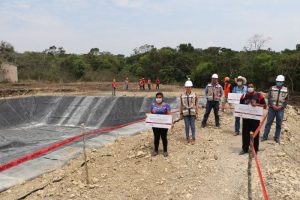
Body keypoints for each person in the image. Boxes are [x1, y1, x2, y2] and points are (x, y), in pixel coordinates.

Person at [239, 83, 266, 155]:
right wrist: (241, 114)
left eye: (251, 87)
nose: (250, 88)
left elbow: (265, 106)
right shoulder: (244, 96)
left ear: (254, 88)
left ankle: (255, 150)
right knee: (245, 134)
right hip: (246, 119)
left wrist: (256, 104)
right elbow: (240, 106)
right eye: (249, 87)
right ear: (247, 88)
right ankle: (245, 149)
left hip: (255, 119)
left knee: (256, 134)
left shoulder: (259, 95)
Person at [262, 75, 288, 143]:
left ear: (283, 82)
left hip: (280, 109)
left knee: (279, 124)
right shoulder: (272, 88)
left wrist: (281, 106)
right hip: (272, 108)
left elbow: (286, 100)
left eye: (280, 81)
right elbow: (269, 97)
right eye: (277, 81)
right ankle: (265, 136)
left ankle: (276, 137)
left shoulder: (286, 89)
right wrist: (272, 105)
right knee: (268, 123)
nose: (278, 82)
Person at [151, 92, 171, 157]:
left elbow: (169, 114)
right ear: (155, 98)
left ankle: (165, 151)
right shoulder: (153, 105)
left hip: (164, 125)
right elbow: (150, 113)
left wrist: (171, 123)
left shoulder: (166, 105)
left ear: (162, 98)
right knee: (156, 137)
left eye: (160, 97)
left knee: (164, 137)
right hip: (155, 125)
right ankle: (156, 150)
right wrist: (152, 113)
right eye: (157, 97)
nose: (158, 98)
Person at [180, 78, 198, 145]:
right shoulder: (182, 95)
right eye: (187, 87)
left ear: (191, 87)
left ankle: (193, 138)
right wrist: (181, 113)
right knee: (187, 126)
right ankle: (187, 138)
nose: (188, 88)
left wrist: (197, 113)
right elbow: (181, 104)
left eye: (189, 87)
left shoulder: (195, 95)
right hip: (185, 113)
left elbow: (196, 104)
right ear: (185, 87)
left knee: (192, 126)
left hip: (192, 112)